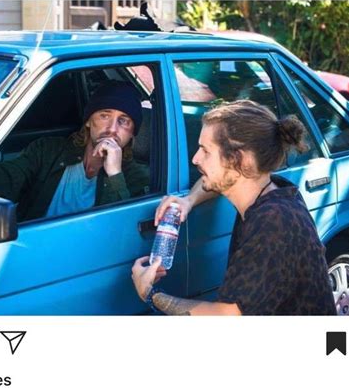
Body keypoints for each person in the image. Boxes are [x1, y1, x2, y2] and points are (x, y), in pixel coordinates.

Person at [132, 100, 336, 315]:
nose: (195, 159)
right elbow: (218, 181)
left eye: (205, 151)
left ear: (239, 160)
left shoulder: (273, 223)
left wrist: (150, 294)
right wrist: (188, 201)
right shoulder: (270, 188)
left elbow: (227, 316)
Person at [0, 80, 150, 222]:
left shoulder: (136, 177)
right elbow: (2, 180)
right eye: (104, 115)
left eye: (124, 121)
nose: (112, 128)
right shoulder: (48, 151)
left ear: (132, 133)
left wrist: (115, 174)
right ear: (89, 121)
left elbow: (121, 231)